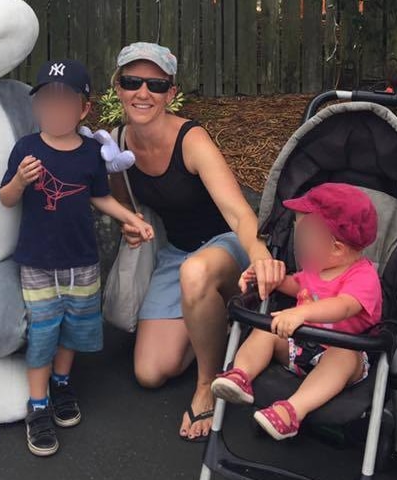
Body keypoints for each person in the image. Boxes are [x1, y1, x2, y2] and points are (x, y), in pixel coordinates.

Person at [108, 42, 285, 442]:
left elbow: (240, 214)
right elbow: (124, 204)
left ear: (171, 94)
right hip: (179, 253)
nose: (143, 93)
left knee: (197, 272)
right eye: (132, 81)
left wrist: (260, 255)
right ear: (117, 87)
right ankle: (218, 318)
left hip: (226, 246)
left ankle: (208, 382)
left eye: (156, 85)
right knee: (150, 372)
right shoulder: (116, 143)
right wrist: (129, 224)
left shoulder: (191, 139)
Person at [0, 59, 154, 456]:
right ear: (36, 107)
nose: (55, 110)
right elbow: (5, 198)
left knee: (72, 327)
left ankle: (62, 383)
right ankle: (37, 405)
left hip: (81, 261)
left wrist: (129, 217)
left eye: (65, 102)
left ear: (84, 109)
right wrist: (19, 180)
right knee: (42, 330)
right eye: (47, 102)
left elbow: (99, 196)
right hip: (37, 262)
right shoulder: (26, 149)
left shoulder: (89, 153)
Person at [211, 183, 382, 440]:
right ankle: (240, 375)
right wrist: (268, 278)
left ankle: (291, 412)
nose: (297, 242)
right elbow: (295, 285)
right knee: (266, 327)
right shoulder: (315, 268)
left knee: (344, 356)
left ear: (336, 247)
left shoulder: (363, 277)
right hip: (298, 348)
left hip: (338, 358)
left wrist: (303, 313)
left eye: (304, 236)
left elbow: (344, 306)